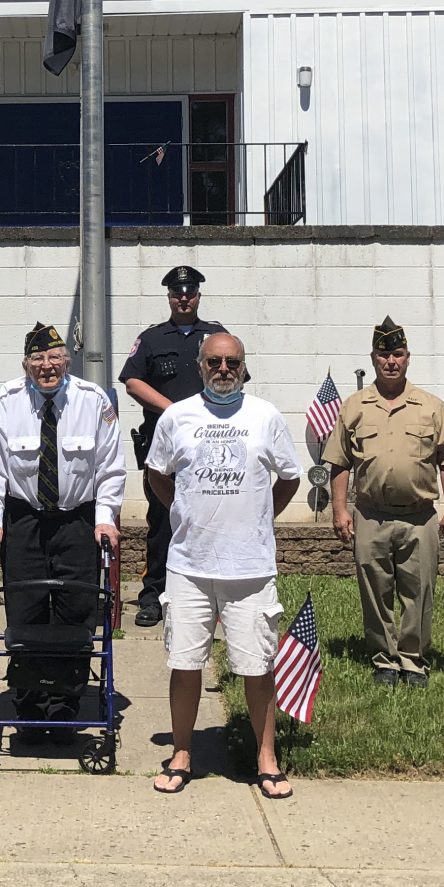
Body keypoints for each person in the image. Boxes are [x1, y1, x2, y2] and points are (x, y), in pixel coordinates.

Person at [145, 331, 301, 798]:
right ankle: (182, 754)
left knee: (257, 666)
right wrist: (183, 514)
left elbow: (290, 478)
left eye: (233, 362)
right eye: (214, 362)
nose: (224, 370)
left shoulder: (265, 416)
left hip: (249, 567)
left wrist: (258, 518)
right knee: (185, 661)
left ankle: (266, 759)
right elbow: (156, 473)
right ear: (200, 365)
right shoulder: (177, 417)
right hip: (190, 564)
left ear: (244, 366)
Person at [0, 323, 124, 726]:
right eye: (38, 359)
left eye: (55, 357)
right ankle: (28, 702)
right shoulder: (5, 401)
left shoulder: (93, 401)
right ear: (25, 364)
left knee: (76, 610)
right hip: (24, 521)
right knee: (26, 609)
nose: (47, 367)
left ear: (67, 360)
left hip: (78, 522)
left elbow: (110, 467)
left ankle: (66, 703)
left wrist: (105, 518)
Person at [321, 317, 444, 686]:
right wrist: (339, 511)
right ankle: (385, 658)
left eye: (397, 355)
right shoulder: (355, 406)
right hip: (371, 515)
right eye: (384, 355)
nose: (391, 362)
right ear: (373, 358)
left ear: (408, 358)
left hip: (420, 517)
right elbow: (339, 463)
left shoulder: (431, 406)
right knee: (375, 590)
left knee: (419, 591)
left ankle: (413, 659)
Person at [119, 265, 225, 626]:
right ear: (169, 297)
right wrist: (177, 411)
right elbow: (132, 381)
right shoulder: (152, 339)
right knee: (162, 521)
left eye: (190, 292)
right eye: (178, 293)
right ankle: (154, 596)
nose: (184, 298)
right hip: (165, 446)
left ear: (198, 296)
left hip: (211, 446)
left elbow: (234, 379)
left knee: (211, 520)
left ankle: (209, 597)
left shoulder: (215, 336)